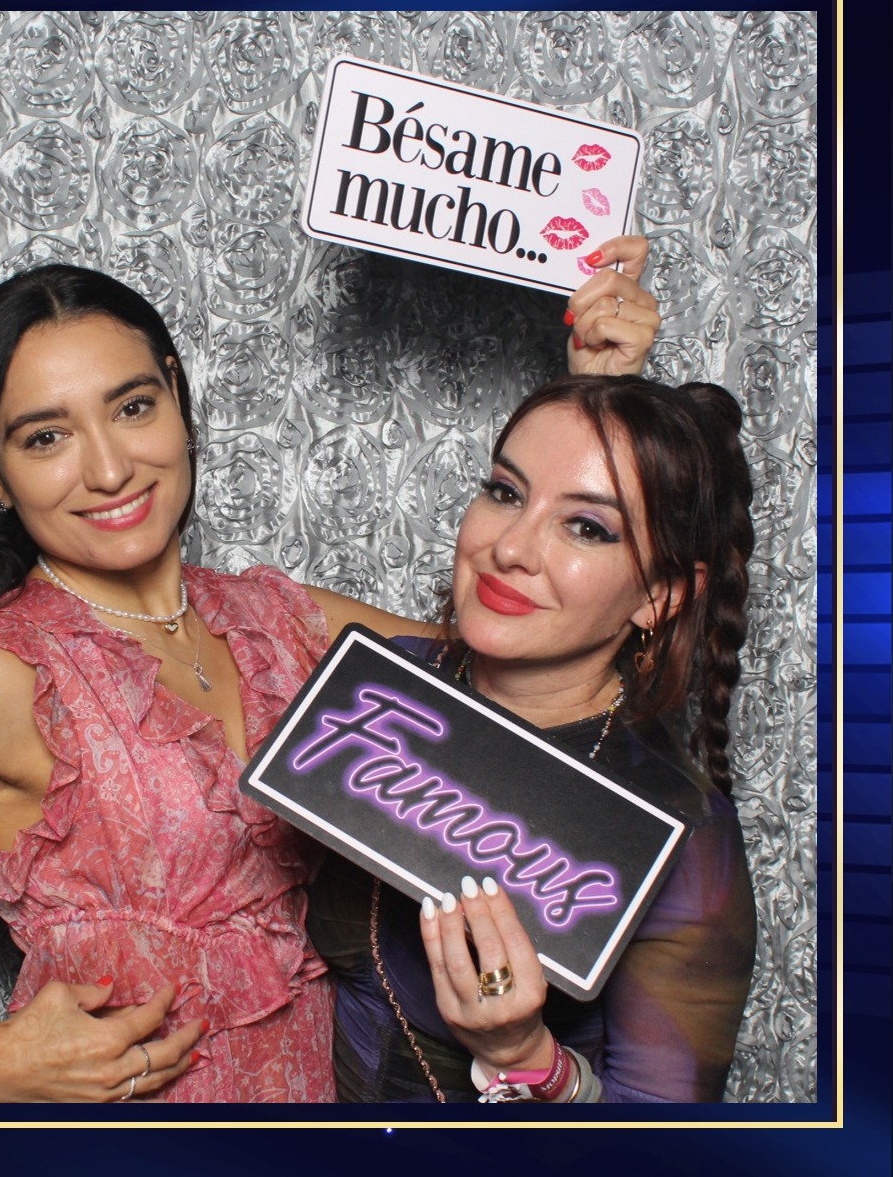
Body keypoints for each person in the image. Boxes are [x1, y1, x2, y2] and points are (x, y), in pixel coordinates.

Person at [0, 240, 660, 1102]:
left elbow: (539, 668)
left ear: (176, 397)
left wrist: (603, 415)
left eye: (133, 407)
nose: (108, 467)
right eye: (45, 437)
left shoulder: (282, 624)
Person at [306, 373, 758, 1103]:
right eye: (506, 492)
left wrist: (524, 1057)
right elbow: (181, 604)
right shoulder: (378, 686)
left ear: (660, 597)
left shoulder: (681, 839)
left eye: (587, 527)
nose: (510, 548)